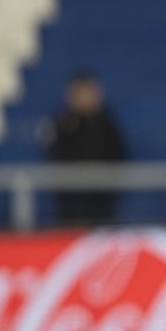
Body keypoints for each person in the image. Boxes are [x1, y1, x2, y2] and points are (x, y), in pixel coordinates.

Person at [43, 70, 126, 226]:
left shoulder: (107, 124)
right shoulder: (62, 124)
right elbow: (54, 157)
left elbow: (119, 156)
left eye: (89, 91)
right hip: (70, 207)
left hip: (102, 206)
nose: (85, 97)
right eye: (80, 92)